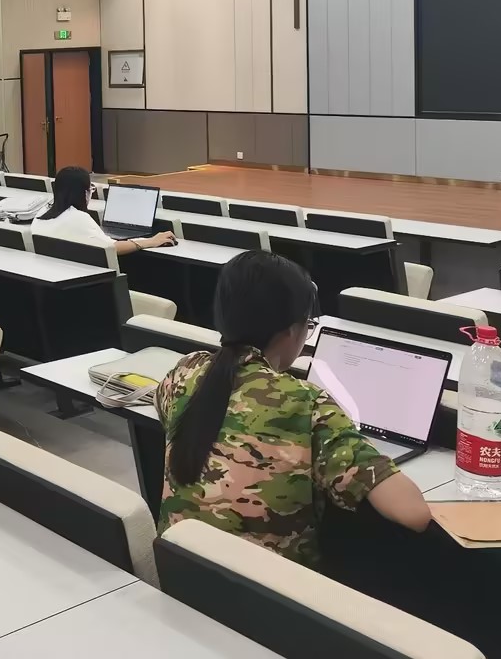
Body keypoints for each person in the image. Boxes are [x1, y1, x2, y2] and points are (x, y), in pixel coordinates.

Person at [155, 249, 432, 567]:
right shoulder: (307, 403)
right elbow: (414, 514)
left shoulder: (186, 371)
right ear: (291, 330)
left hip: (180, 572)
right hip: (269, 590)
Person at [30, 165, 175, 254]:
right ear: (84, 193)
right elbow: (112, 248)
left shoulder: (42, 213)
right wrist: (150, 241)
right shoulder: (78, 218)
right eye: (90, 189)